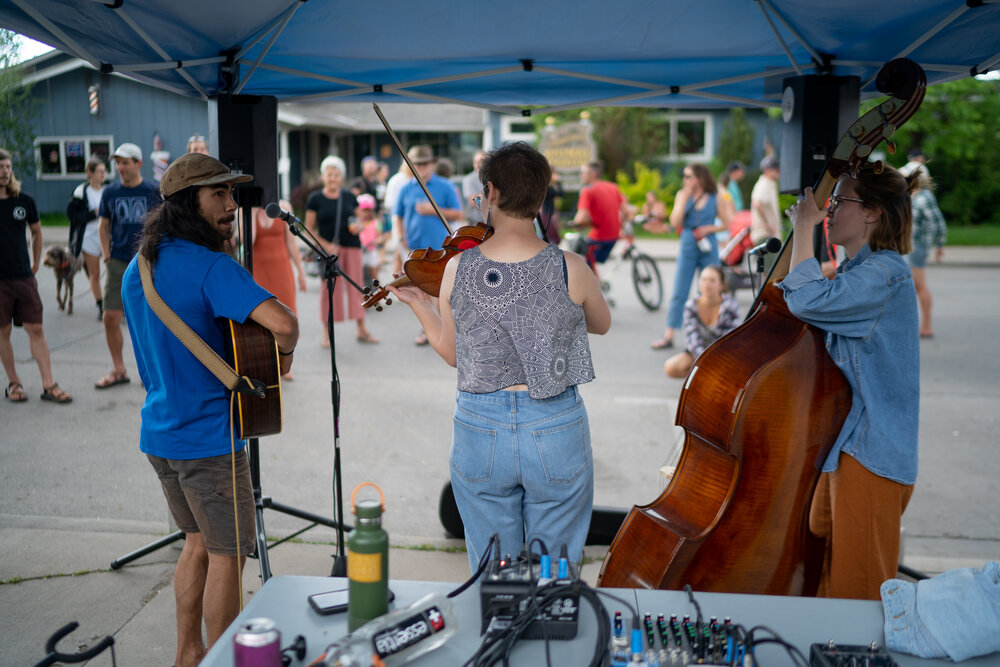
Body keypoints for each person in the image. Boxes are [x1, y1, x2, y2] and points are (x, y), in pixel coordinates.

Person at [387, 142, 611, 571]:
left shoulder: (458, 268)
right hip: (554, 423)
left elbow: (452, 354)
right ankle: (549, 629)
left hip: (480, 424)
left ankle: (497, 631)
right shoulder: (572, 267)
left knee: (493, 573)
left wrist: (420, 303)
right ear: (542, 196)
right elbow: (601, 323)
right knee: (556, 569)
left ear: (489, 192)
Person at [120, 152, 298, 667]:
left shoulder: (140, 267)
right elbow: (284, 324)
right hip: (209, 442)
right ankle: (223, 660)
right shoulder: (211, 266)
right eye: (217, 194)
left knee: (195, 544)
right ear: (185, 204)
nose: (230, 204)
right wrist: (282, 359)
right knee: (227, 553)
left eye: (232, 193)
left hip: (160, 435)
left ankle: (188, 654)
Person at [780, 162, 919, 601]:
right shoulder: (861, 269)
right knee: (830, 576)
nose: (830, 209)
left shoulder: (884, 274)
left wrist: (804, 227)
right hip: (851, 444)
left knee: (858, 592)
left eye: (841, 200)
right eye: (830, 201)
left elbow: (803, 300)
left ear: (873, 213)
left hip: (872, 450)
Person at [0, 148, 73, 404]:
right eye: (1, 167)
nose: (5, 172)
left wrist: (35, 264)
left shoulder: (24, 200)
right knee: (3, 330)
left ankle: (48, 384)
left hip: (23, 276)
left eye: (8, 167)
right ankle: (14, 383)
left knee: (36, 328)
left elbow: (37, 232)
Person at [96, 143, 162, 389]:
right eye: (118, 163)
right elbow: (103, 226)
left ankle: (155, 372)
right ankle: (119, 369)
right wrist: (106, 255)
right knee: (110, 316)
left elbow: (164, 224)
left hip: (147, 261)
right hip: (119, 260)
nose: (120, 167)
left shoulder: (154, 191)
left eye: (125, 162)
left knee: (151, 317)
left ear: (138, 164)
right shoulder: (110, 192)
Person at [652, 163, 733, 349]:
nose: (685, 179)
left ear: (700, 177)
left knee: (709, 289)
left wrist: (708, 228)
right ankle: (669, 335)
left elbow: (728, 222)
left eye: (689, 176)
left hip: (708, 244)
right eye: (685, 176)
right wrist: (683, 200)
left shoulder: (715, 196)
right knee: (680, 290)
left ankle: (708, 334)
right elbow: (674, 222)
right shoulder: (683, 195)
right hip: (688, 242)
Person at [392, 145, 463, 345]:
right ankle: (428, 329)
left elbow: (458, 213)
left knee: (441, 292)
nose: (421, 167)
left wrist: (432, 210)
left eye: (424, 164)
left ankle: (447, 331)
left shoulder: (445, 186)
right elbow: (397, 215)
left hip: (440, 249)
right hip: (415, 248)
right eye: (417, 164)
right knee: (421, 293)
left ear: (432, 164)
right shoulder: (406, 188)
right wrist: (399, 237)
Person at [305, 155, 378, 345]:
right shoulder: (315, 198)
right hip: (329, 251)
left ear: (341, 177)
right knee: (328, 290)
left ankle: (361, 329)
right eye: (329, 174)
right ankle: (326, 333)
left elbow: (358, 219)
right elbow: (308, 229)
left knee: (356, 287)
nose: (333, 178)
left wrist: (360, 226)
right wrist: (324, 245)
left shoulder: (348, 196)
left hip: (352, 246)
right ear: (323, 176)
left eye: (336, 175)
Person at [250, 198, 307, 378]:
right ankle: (266, 363)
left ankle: (284, 363)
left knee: (286, 312)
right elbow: (247, 242)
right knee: (262, 317)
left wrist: (300, 271)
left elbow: (291, 243)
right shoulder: (247, 211)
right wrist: (251, 213)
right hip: (258, 270)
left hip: (281, 268)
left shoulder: (284, 208)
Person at [663, 265, 741, 378]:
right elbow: (693, 340)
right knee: (671, 367)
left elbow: (728, 341)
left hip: (722, 355)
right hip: (698, 354)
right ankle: (701, 379)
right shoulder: (691, 306)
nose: (707, 284)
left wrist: (714, 363)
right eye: (703, 279)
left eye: (712, 280)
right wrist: (703, 363)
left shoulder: (731, 306)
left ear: (721, 285)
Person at [900, 164, 946, 338]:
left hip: (917, 248)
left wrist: (939, 245)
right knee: (911, 287)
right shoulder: (912, 195)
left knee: (919, 286)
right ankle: (915, 325)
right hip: (908, 247)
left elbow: (938, 222)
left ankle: (926, 326)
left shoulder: (925, 197)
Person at [572, 160, 630, 277]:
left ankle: (589, 288)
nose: (581, 175)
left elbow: (579, 219)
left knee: (575, 258)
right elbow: (627, 212)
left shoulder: (587, 191)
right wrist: (621, 226)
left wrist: (576, 224)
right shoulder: (613, 187)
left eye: (583, 172)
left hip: (598, 238)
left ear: (592, 174)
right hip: (614, 237)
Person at [66, 156, 107, 319]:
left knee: (113, 272)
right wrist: (93, 213)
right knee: (95, 274)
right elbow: (72, 215)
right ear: (89, 173)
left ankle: (116, 305)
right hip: (89, 237)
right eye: (99, 172)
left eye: (104, 171)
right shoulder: (80, 192)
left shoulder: (108, 190)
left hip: (107, 237)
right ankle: (101, 306)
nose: (103, 175)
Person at [384, 162, 413, 275]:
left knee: (398, 255)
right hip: (400, 222)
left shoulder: (416, 179)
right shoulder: (397, 180)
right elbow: (390, 205)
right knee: (404, 255)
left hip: (411, 223)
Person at [750, 155, 781, 245]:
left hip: (769, 235)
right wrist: (768, 225)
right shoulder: (764, 184)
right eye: (775, 170)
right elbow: (757, 203)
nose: (778, 172)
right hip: (765, 235)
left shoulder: (770, 184)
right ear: (766, 170)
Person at [462, 150, 487, 223]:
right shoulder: (469, 179)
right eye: (477, 162)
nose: (480, 164)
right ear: (474, 163)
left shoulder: (493, 177)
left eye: (483, 161)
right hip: (475, 222)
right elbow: (475, 201)